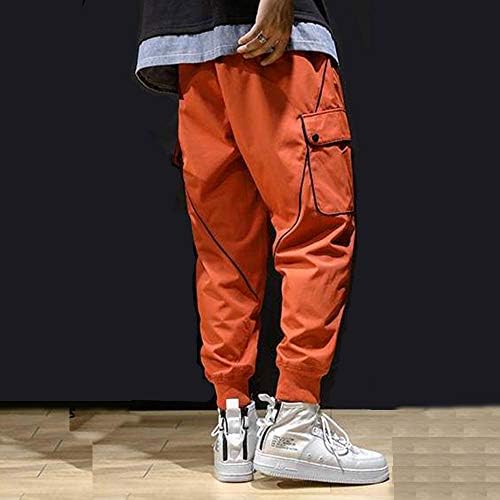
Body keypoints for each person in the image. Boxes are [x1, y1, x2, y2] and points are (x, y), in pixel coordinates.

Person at [136, 0, 389, 485]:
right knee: (315, 231)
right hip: (271, 38)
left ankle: (234, 426)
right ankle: (295, 420)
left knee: (223, 255)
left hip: (188, 47)